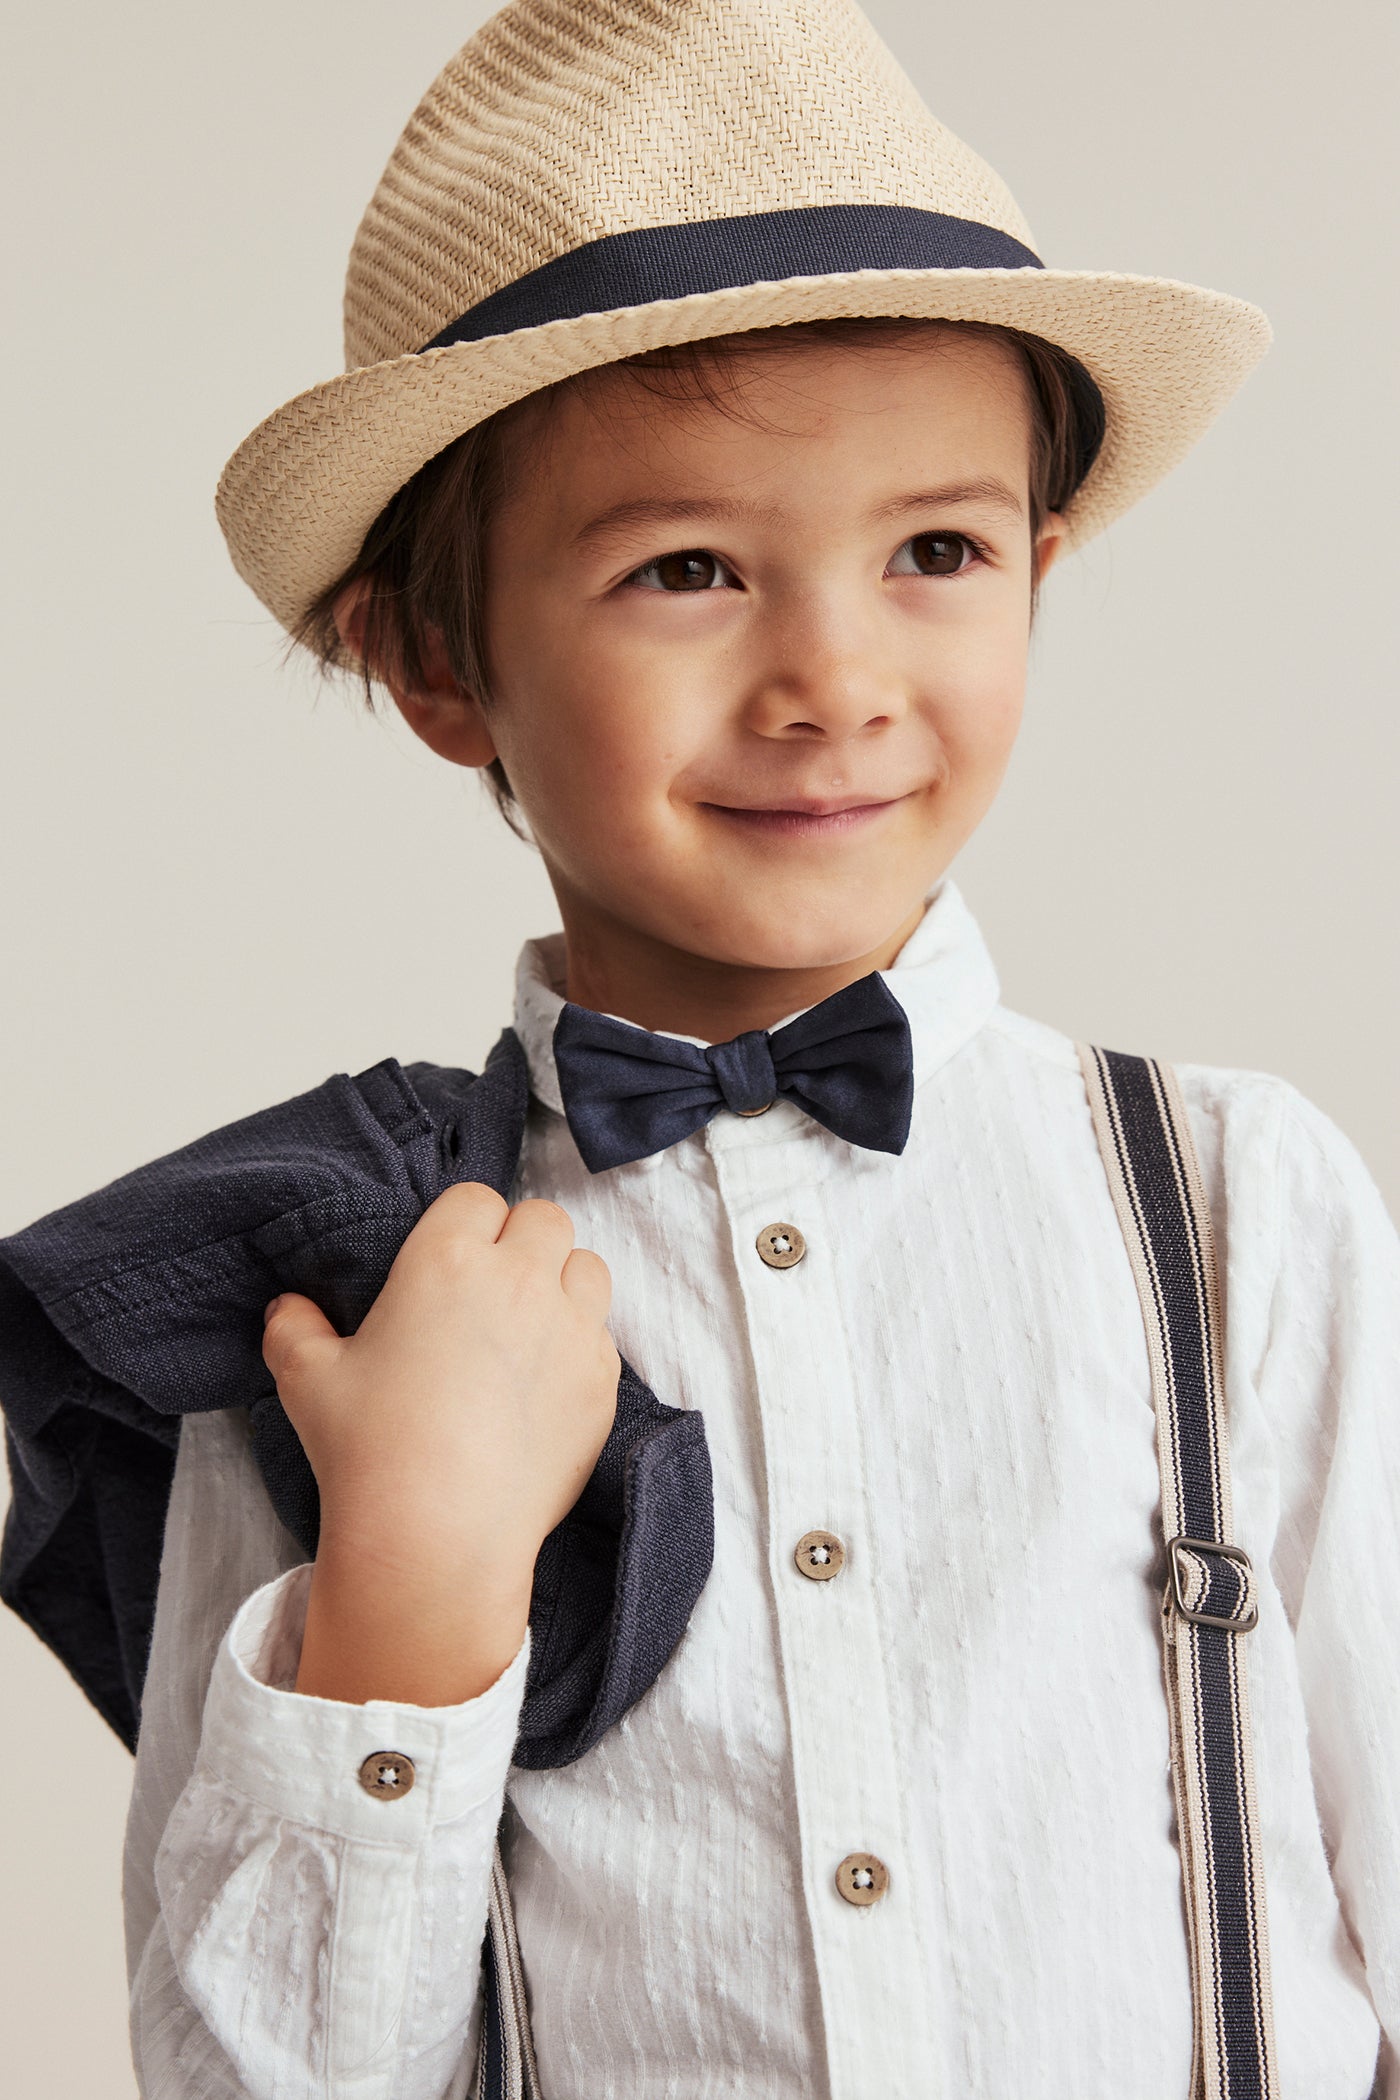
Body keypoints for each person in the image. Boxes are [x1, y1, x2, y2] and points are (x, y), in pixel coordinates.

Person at [1, 0, 1396, 2095]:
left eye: (936, 552)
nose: (833, 677)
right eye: (687, 569)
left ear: (1040, 572)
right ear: (437, 660)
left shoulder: (1234, 1207)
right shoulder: (332, 1294)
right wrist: (412, 1590)